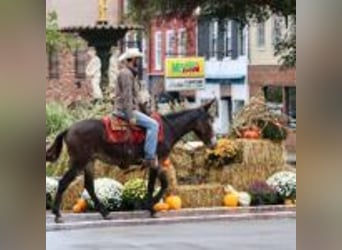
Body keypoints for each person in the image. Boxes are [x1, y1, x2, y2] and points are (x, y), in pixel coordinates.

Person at [114, 48, 159, 169]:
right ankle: (149, 157)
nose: (138, 62)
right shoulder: (126, 74)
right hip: (124, 111)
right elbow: (127, 96)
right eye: (137, 60)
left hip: (129, 109)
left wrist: (147, 111)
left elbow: (137, 97)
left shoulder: (130, 74)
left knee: (152, 121)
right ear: (132, 60)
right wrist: (130, 116)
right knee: (153, 125)